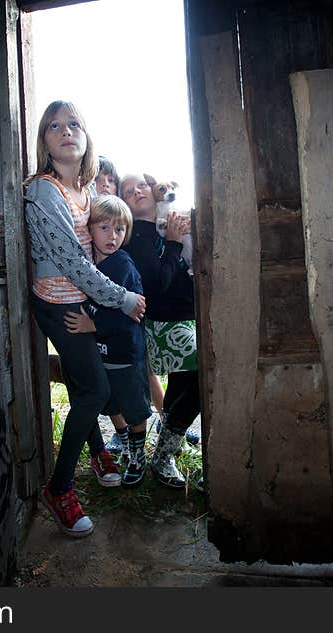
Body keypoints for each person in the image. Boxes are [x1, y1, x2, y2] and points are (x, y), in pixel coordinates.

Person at [24, 101, 146, 537]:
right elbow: (73, 264)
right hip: (61, 302)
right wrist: (123, 299)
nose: (65, 131)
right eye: (54, 126)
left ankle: (97, 449)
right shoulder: (43, 191)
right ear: (44, 141)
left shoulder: (90, 192)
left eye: (74, 124)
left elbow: (106, 241)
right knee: (95, 388)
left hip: (87, 301)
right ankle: (59, 488)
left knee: (82, 380)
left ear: (86, 136)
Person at [119, 174, 201, 490]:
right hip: (164, 322)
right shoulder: (136, 237)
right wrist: (174, 244)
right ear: (125, 204)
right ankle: (165, 452)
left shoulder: (174, 219)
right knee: (197, 377)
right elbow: (156, 285)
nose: (136, 191)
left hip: (192, 312)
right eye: (127, 191)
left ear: (154, 192)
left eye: (141, 186)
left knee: (185, 382)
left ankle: (168, 432)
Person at [64, 195, 152, 487]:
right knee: (110, 403)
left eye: (119, 229)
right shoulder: (87, 264)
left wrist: (93, 324)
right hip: (102, 354)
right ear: (89, 229)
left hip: (125, 354)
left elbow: (130, 314)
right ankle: (124, 440)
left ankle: (138, 454)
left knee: (134, 406)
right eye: (104, 228)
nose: (112, 236)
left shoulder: (122, 265)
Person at [88, 156, 131, 458]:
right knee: (101, 378)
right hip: (96, 317)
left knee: (133, 374)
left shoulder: (118, 247)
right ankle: (122, 433)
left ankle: (144, 428)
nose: (105, 184)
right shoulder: (90, 225)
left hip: (122, 314)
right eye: (98, 179)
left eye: (111, 180)